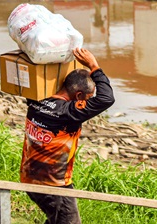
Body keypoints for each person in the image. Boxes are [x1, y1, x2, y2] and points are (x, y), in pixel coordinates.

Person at [21, 47, 115, 224]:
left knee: (55, 220)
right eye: (88, 98)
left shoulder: (36, 100)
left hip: (29, 178)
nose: (88, 102)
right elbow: (106, 98)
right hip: (53, 185)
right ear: (79, 96)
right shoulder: (68, 112)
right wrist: (94, 66)